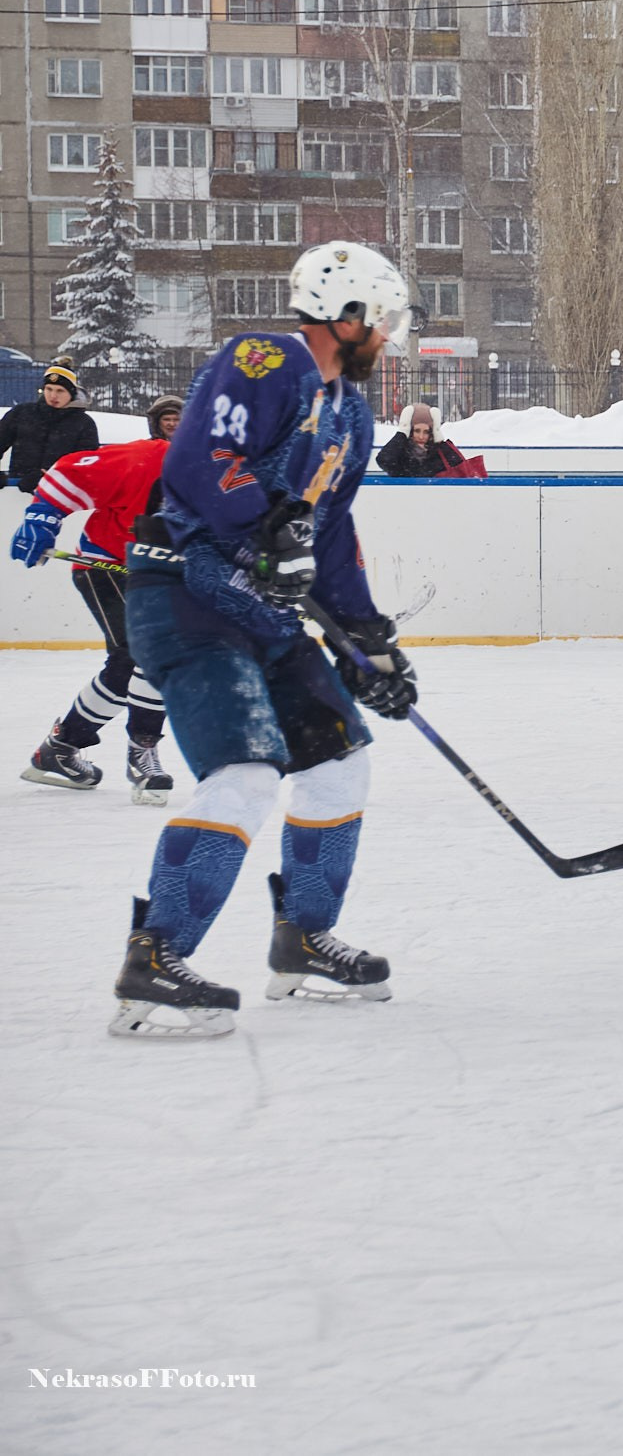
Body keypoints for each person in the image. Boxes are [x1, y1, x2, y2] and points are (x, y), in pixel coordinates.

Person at [108, 241, 421, 1039]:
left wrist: (366, 637)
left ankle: (304, 939)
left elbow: (331, 525)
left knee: (340, 763)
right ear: (345, 316)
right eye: (379, 318)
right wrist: (266, 529)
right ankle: (156, 952)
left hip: (267, 611)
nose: (386, 334)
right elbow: (201, 459)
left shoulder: (351, 412)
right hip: (186, 594)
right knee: (246, 772)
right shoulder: (261, 358)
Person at [13, 394, 185, 801]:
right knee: (151, 651)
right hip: (106, 564)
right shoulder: (146, 458)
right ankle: (142, 753)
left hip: (159, 572)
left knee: (126, 665)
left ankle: (59, 748)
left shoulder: (234, 475)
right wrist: (42, 517)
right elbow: (70, 472)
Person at [1, 360, 101, 495]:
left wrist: (49, 476)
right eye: (49, 389)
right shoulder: (21, 413)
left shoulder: (84, 424)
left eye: (60, 390)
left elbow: (86, 464)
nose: (53, 396)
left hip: (61, 497)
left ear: (71, 393)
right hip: (16, 494)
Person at [375, 403, 466, 477]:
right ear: (410, 431)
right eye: (417, 431)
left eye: (426, 432)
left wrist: (440, 440)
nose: (421, 437)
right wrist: (402, 433)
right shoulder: (400, 454)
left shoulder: (438, 453)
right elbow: (383, 459)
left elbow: (461, 466)